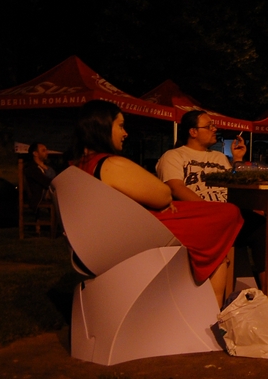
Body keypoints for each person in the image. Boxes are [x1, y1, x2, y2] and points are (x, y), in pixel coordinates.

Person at [68, 100, 243, 308]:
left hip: (107, 238)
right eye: (121, 126)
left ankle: (212, 300)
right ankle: (214, 312)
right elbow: (163, 194)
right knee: (228, 213)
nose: (125, 133)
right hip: (133, 238)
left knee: (220, 221)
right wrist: (162, 201)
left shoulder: (80, 166)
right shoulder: (109, 164)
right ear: (102, 127)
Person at [156, 110, 268, 313]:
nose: (215, 129)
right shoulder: (174, 156)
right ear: (193, 132)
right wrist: (211, 211)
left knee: (260, 226)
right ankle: (215, 303)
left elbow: (235, 187)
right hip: (200, 218)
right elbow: (175, 187)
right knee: (232, 218)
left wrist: (237, 160)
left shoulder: (220, 157)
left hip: (228, 216)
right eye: (209, 126)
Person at [23, 143, 57, 210]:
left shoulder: (48, 167)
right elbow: (45, 182)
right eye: (43, 151)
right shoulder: (32, 168)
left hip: (51, 191)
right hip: (41, 196)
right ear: (35, 153)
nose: (46, 152)